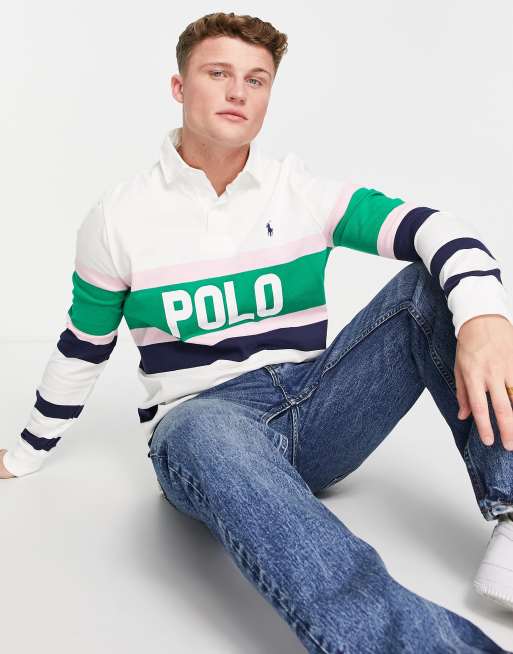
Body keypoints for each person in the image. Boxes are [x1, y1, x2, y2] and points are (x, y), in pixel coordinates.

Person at [2, 10, 513, 654]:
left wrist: (486, 319)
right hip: (204, 426)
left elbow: (435, 228)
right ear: (179, 87)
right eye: (218, 73)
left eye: (256, 79)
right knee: (200, 426)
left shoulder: (298, 192)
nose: (238, 92)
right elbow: (83, 345)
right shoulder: (117, 218)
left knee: (438, 288)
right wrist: (25, 453)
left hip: (317, 409)